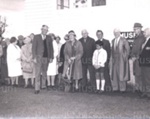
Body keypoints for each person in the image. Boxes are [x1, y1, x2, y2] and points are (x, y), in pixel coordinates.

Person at [32, 25, 54, 94]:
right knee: (38, 73)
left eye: (46, 30)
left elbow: (51, 48)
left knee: (44, 72)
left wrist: (51, 57)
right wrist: (34, 57)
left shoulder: (49, 37)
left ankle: (43, 85)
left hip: (46, 58)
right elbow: (33, 48)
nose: (45, 31)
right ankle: (37, 88)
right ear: (41, 29)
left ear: (47, 31)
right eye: (44, 29)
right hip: (38, 57)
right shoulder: (36, 37)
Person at [110, 28, 130, 93]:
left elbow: (127, 50)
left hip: (122, 59)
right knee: (115, 73)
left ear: (119, 33)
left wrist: (124, 58)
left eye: (117, 32)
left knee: (122, 73)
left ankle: (122, 88)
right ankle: (115, 87)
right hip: (114, 59)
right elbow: (112, 50)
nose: (116, 34)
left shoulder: (124, 40)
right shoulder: (113, 40)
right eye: (114, 32)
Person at [130, 23, 146, 96]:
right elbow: (133, 49)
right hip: (135, 59)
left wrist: (136, 56)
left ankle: (142, 90)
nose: (134, 30)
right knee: (136, 73)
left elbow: (143, 49)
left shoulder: (143, 37)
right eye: (134, 29)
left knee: (141, 74)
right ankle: (137, 88)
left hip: (140, 59)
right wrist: (132, 55)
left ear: (140, 29)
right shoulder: (135, 37)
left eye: (135, 29)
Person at [139, 28, 150, 99]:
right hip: (143, 63)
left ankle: (148, 93)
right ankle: (144, 92)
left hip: (148, 64)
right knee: (143, 78)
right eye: (144, 32)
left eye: (145, 32)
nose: (144, 33)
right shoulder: (145, 41)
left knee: (148, 78)